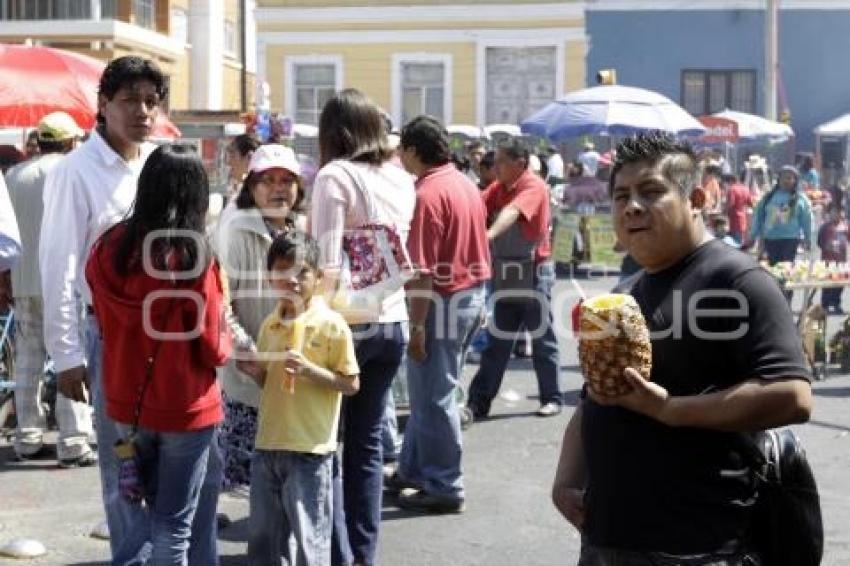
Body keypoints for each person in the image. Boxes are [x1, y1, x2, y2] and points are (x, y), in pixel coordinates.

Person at [553, 132, 812, 565]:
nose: (632, 206)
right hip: (607, 539)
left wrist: (671, 409)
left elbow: (792, 396)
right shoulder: (626, 291)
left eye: (651, 191)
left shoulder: (737, 281)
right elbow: (595, 397)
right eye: (620, 196)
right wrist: (567, 479)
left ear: (695, 198)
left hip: (697, 545)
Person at [41, 56, 221, 565]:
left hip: (180, 341)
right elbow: (59, 264)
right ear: (102, 105)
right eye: (130, 100)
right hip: (113, 340)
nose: (143, 111)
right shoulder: (74, 172)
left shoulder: (157, 163)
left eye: (151, 101)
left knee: (194, 482)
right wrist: (67, 355)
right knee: (129, 481)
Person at [86, 144, 231, 563]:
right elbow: (213, 349)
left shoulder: (108, 247)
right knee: (174, 524)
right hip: (185, 406)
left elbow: (98, 310)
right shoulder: (193, 258)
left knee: (139, 518)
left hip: (124, 403)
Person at [310, 88, 415, 566]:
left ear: (333, 132)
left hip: (345, 325)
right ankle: (363, 555)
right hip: (392, 320)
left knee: (328, 446)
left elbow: (325, 264)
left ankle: (337, 553)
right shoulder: (400, 178)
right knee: (368, 447)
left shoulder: (335, 176)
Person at [386, 115, 490, 514]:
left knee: (434, 396)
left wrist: (416, 327)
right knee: (431, 391)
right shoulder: (465, 183)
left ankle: (445, 484)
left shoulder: (428, 194)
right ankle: (414, 469)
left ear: (413, 151)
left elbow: (423, 271)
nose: (400, 157)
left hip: (443, 301)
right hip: (471, 294)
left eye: (402, 150)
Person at [237, 233, 359, 565]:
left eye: (301, 272)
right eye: (282, 270)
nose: (291, 280)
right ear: (269, 277)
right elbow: (270, 383)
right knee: (265, 541)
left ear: (318, 277)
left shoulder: (332, 325)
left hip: (310, 450)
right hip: (269, 445)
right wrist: (255, 372)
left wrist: (311, 372)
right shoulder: (269, 325)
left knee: (310, 540)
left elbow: (351, 384)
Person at [213, 143, 306, 490]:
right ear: (252, 187)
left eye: (287, 180)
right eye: (268, 181)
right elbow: (221, 303)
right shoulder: (235, 229)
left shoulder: (303, 227)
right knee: (253, 477)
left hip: (294, 368)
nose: (279, 188)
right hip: (250, 373)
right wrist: (248, 352)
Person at [6, 111, 94, 466]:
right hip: (66, 280)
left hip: (22, 278)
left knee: (28, 357)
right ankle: (73, 440)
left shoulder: (14, 175)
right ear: (72, 142)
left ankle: (27, 436)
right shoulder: (73, 171)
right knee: (68, 355)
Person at [467, 138, 563, 419]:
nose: (493, 167)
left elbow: (512, 213)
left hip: (534, 273)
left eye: (500, 162)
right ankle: (478, 402)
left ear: (520, 165)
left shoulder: (533, 187)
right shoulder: (498, 188)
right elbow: (476, 206)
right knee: (497, 341)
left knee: (542, 339)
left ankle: (552, 398)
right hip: (506, 271)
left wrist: (486, 236)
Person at [745, 165, 813, 265]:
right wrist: (752, 236)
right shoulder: (768, 197)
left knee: (786, 268)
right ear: (778, 179)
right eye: (784, 177)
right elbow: (758, 217)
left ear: (795, 180)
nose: (787, 180)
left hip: (790, 240)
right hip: (770, 240)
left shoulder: (800, 199)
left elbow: (807, 220)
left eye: (790, 178)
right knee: (772, 270)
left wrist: (808, 238)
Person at [817, 202, 848, 314]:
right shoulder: (825, 227)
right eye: (834, 211)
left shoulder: (844, 226)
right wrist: (827, 245)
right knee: (827, 283)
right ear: (829, 213)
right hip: (828, 260)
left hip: (841, 261)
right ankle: (825, 304)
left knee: (839, 284)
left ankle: (836, 304)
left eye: (840, 211)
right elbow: (819, 241)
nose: (837, 214)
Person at [723, 173, 754, 244]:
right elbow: (751, 204)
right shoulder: (746, 189)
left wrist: (724, 212)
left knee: (734, 243)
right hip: (743, 219)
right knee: (740, 240)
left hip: (734, 219)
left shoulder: (732, 189)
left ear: (731, 181)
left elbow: (730, 204)